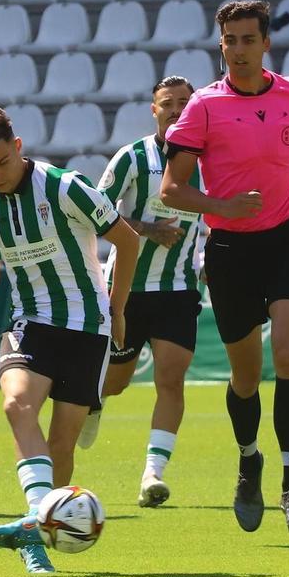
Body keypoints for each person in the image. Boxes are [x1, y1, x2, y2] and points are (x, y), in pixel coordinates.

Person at [0, 107, 139, 575]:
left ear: (17, 147)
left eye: (2, 163)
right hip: (30, 322)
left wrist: (118, 309)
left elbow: (128, 240)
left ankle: (38, 529)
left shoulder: (66, 187)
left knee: (62, 446)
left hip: (88, 326)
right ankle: (34, 529)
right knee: (16, 405)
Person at [160, 0, 289, 534]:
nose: (238, 50)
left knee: (286, 354)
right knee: (244, 374)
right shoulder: (204, 108)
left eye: (247, 39)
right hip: (231, 250)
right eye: (229, 41)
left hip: (286, 239)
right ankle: (248, 459)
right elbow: (172, 190)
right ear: (222, 46)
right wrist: (221, 207)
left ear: (266, 44)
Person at [77, 76, 206, 510]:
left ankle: (153, 473)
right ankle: (93, 401)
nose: (175, 110)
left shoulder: (213, 157)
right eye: (167, 103)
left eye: (184, 103)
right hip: (127, 286)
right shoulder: (132, 158)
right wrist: (149, 230)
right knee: (117, 380)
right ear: (154, 110)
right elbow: (98, 214)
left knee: (171, 378)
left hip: (180, 287)